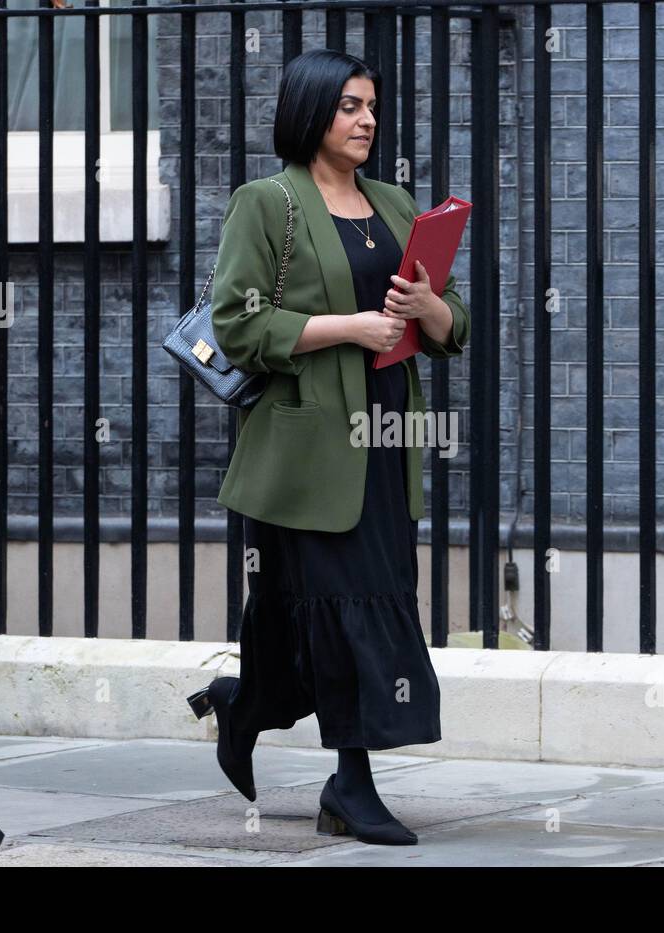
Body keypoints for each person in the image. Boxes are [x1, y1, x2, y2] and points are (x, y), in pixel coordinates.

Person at [186, 48, 471, 846]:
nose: (367, 120)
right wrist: (351, 326)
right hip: (307, 444)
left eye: (371, 106)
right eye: (349, 106)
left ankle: (244, 703)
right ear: (311, 111)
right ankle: (351, 783)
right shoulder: (266, 202)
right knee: (340, 607)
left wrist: (429, 308)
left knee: (333, 605)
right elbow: (238, 324)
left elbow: (454, 323)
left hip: (383, 433)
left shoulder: (393, 202)